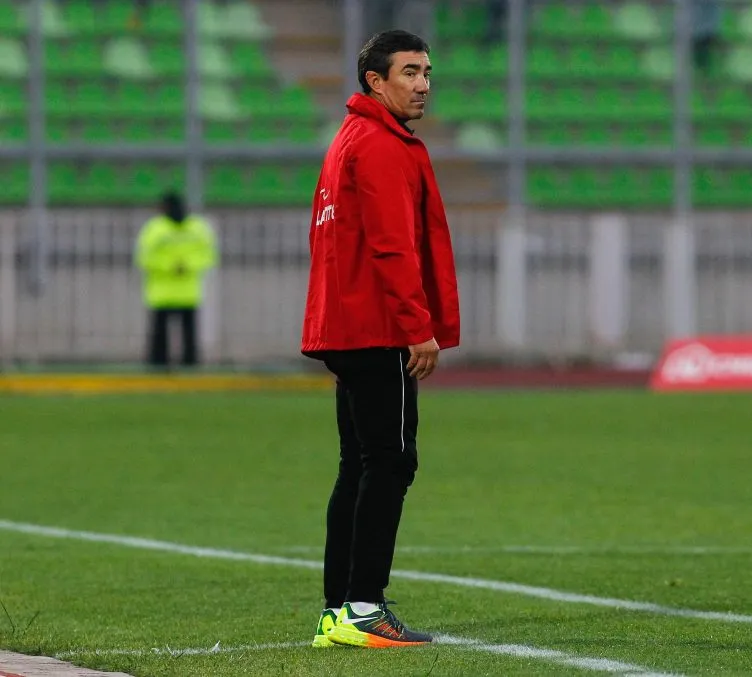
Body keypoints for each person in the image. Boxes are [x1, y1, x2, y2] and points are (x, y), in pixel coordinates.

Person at [301, 29, 461, 649]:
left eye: (427, 72)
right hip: (375, 326)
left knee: (360, 464)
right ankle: (363, 608)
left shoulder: (350, 138)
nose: (423, 83)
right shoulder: (382, 145)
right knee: (391, 461)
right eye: (410, 71)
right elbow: (393, 245)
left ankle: (339, 608)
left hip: (347, 322)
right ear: (376, 81)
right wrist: (417, 328)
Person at [134, 191, 218, 369]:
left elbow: (144, 256)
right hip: (177, 290)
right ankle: (179, 364)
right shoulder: (196, 227)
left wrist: (177, 266)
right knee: (172, 332)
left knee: (175, 332)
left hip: (169, 290)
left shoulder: (156, 228)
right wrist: (181, 266)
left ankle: (166, 364)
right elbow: (145, 257)